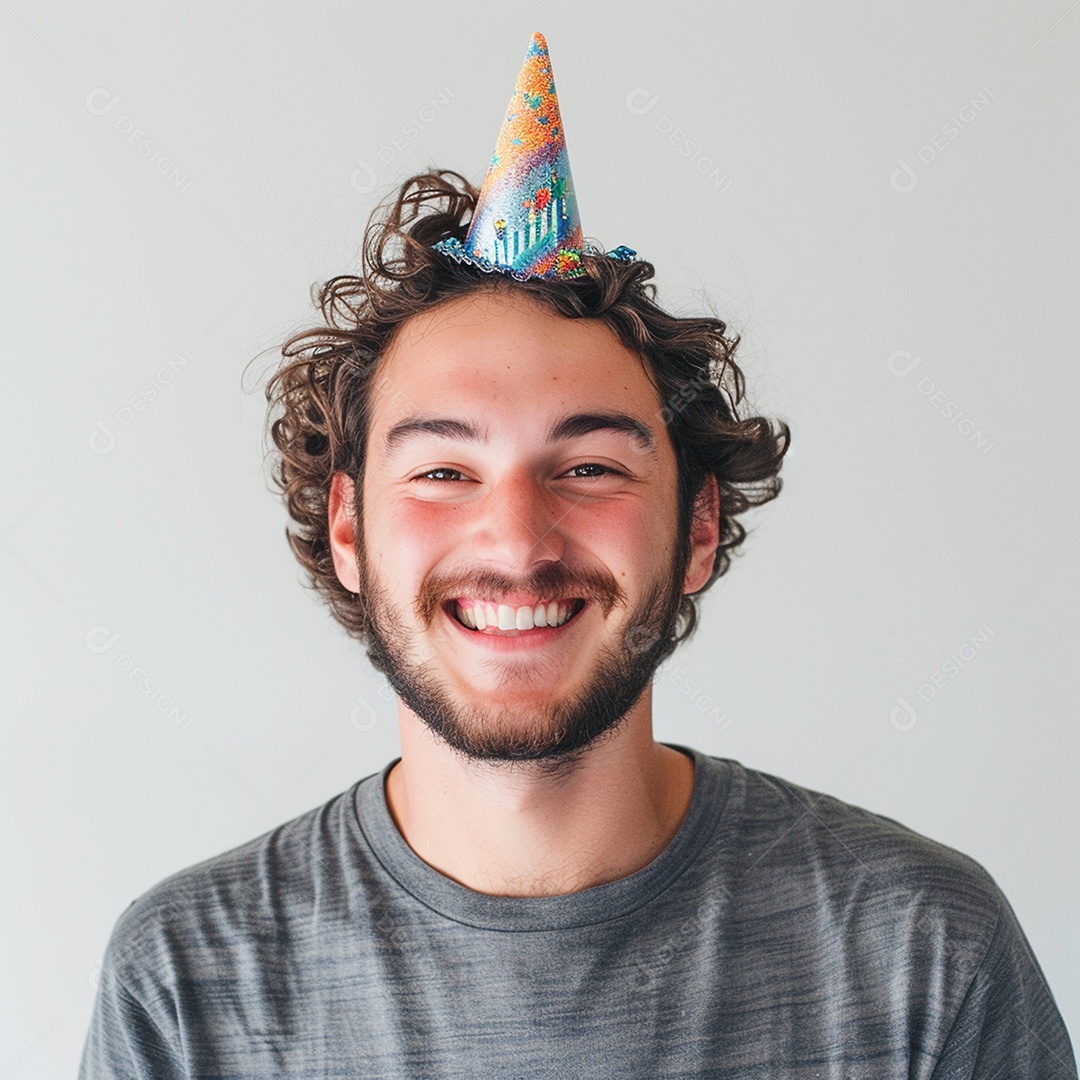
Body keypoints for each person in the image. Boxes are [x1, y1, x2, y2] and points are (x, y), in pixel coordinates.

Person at [80, 32, 1075, 1078]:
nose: (516, 541)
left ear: (695, 527)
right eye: (442, 472)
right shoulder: (186, 985)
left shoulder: (926, 957)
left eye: (591, 468)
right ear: (347, 532)